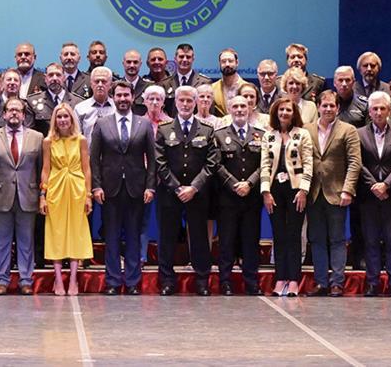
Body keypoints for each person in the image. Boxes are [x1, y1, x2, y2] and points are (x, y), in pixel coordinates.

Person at [91, 81, 156, 295]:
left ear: (132, 97)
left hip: (137, 190)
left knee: (133, 237)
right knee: (111, 238)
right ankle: (112, 282)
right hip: (109, 190)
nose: (122, 99)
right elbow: (94, 159)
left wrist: (150, 187)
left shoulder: (144, 124)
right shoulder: (102, 123)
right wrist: (96, 186)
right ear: (113, 97)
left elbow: (153, 159)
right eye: (118, 95)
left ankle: (132, 282)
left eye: (126, 95)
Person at [153, 85, 218, 296]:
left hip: (197, 194)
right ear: (175, 102)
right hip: (170, 194)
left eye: (190, 100)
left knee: (199, 238)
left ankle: (202, 280)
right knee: (168, 237)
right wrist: (176, 187)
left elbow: (211, 164)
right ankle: (167, 280)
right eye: (182, 100)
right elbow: (160, 162)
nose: (186, 104)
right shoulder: (164, 129)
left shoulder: (206, 130)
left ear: (197, 102)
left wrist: (194, 187)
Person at [0, 98, 45, 295]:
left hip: (29, 196)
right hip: (0, 197)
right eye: (10, 110)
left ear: (24, 115)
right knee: (1, 241)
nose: (14, 114)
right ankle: (2, 279)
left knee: (26, 241)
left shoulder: (37, 137)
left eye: (18, 111)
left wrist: (42, 194)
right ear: (4, 114)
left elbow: (42, 169)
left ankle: (26, 280)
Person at [304, 90, 361, 296]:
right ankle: (321, 282)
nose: (328, 109)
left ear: (338, 108)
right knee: (317, 239)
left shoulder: (348, 130)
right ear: (318, 106)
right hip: (312, 193)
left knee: (337, 239)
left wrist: (348, 190)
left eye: (332, 105)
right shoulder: (305, 130)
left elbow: (355, 163)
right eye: (324, 105)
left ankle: (337, 282)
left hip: (337, 193)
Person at [213, 95, 265, 295]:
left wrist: (249, 183)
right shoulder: (219, 135)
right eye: (235, 106)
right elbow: (216, 165)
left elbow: (265, 164)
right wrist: (235, 185)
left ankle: (251, 281)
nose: (240, 110)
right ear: (229, 109)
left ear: (250, 108)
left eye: (244, 106)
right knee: (226, 241)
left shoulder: (261, 135)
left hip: (252, 198)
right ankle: (225, 281)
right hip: (228, 198)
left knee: (251, 241)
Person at [357, 91, 391, 297]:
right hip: (368, 196)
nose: (378, 112)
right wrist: (374, 186)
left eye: (382, 108)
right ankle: (372, 282)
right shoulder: (359, 134)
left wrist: (385, 185)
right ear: (369, 111)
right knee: (370, 240)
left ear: (389, 110)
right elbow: (357, 163)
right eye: (375, 108)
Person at [260, 98, 312, 297]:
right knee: (279, 234)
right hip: (274, 190)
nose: (284, 113)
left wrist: (303, 190)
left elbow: (308, 163)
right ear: (276, 112)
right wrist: (266, 191)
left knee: (294, 234)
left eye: (288, 110)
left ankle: (294, 280)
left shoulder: (303, 134)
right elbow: (264, 164)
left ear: (294, 112)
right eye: (281, 109)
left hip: (296, 190)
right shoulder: (269, 136)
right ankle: (280, 277)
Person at [41, 102, 94, 295]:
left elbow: (87, 168)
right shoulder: (48, 141)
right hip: (56, 189)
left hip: (77, 188)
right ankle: (57, 279)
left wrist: (88, 195)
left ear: (72, 119)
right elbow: (45, 170)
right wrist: (43, 196)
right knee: (56, 232)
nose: (63, 120)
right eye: (59, 117)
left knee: (75, 232)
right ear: (55, 120)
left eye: (66, 117)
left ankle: (73, 279)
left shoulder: (80, 140)